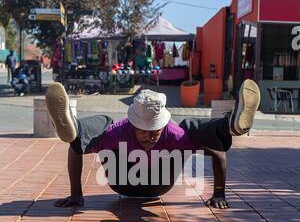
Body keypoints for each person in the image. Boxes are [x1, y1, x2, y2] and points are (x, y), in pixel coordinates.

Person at [45, 81, 260, 209]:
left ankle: (230, 126)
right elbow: (76, 148)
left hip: (159, 184)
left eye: (155, 131)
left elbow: (218, 152)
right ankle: (73, 126)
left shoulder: (175, 135)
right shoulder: (118, 131)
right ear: (132, 124)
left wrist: (219, 193)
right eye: (143, 131)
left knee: (189, 128)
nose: (150, 136)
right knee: (102, 125)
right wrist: (76, 194)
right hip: (122, 182)